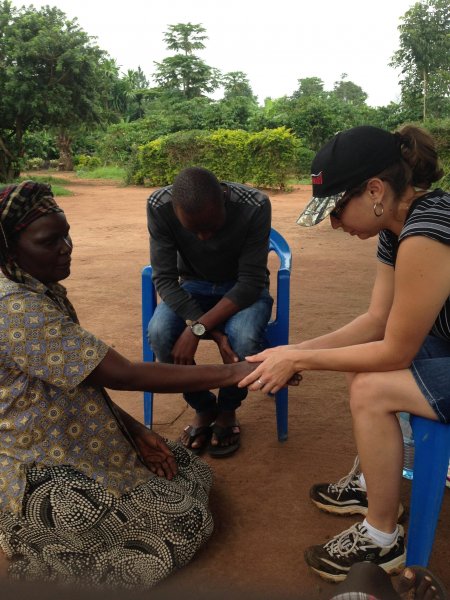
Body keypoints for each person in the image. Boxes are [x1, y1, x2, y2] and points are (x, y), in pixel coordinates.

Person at [0, 180, 256, 588]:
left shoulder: (39, 288)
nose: (67, 246)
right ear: (10, 249)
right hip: (40, 463)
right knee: (185, 522)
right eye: (51, 241)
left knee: (189, 473)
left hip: (78, 434)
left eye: (66, 233)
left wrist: (133, 429)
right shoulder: (16, 307)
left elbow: (79, 377)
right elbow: (123, 374)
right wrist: (237, 371)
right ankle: (41, 558)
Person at [239, 125, 449, 581]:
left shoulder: (429, 231)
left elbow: (395, 350)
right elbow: (377, 321)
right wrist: (294, 350)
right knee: (363, 362)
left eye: (336, 209)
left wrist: (298, 361)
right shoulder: (400, 227)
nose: (334, 223)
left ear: (375, 190)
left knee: (373, 387)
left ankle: (381, 538)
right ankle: (378, 482)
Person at [146, 166, 273, 457]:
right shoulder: (159, 206)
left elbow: (252, 282)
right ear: (176, 212)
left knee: (243, 337)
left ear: (223, 202)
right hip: (193, 286)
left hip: (242, 289)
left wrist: (196, 328)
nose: (204, 238)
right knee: (160, 333)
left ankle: (228, 409)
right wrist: (209, 331)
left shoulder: (254, 206)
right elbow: (165, 278)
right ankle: (203, 407)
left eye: (212, 228)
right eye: (194, 231)